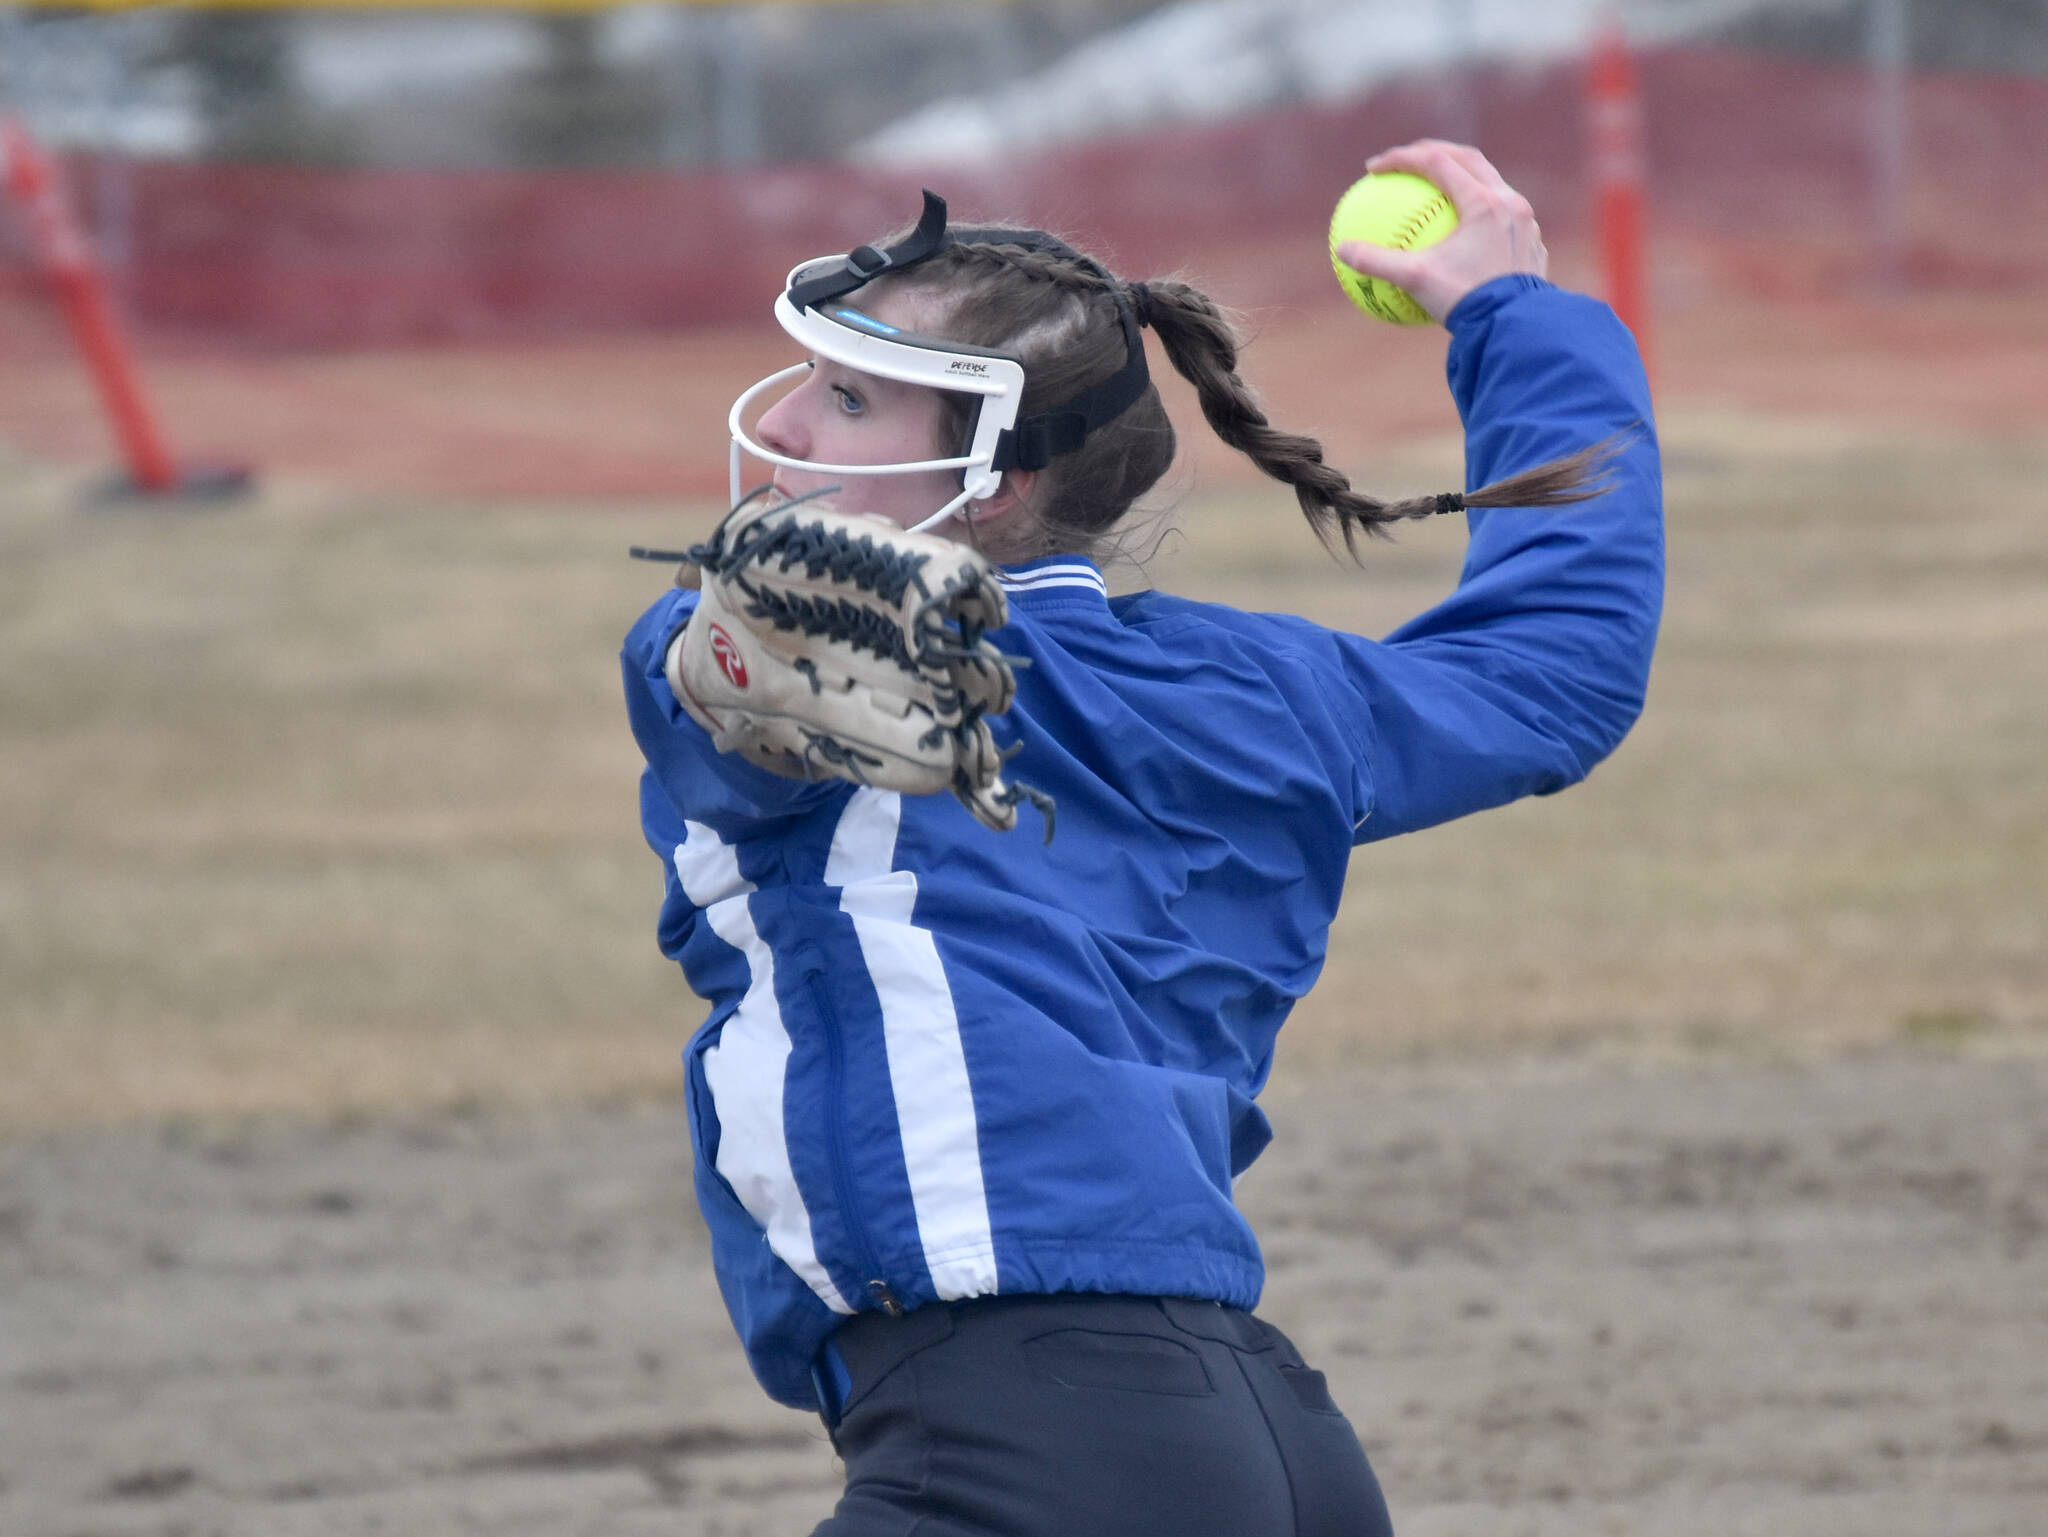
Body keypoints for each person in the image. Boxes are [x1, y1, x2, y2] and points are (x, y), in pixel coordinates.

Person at [622, 139, 1662, 1537]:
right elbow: (1553, 670)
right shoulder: (1263, 694)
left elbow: (734, 669)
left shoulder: (815, 676)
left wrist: (710, 642)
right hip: (1268, 1448)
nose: (793, 429)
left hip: (1031, 1457)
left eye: (852, 395)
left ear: (987, 479)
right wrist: (1519, 321)